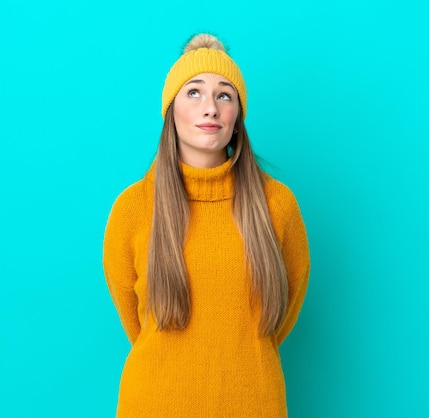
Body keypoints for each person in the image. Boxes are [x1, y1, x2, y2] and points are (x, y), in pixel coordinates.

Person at [103, 33, 310, 417]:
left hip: (255, 405)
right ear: (171, 110)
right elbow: (136, 324)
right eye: (194, 92)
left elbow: (285, 309)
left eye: (225, 95)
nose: (210, 108)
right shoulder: (133, 208)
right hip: (153, 404)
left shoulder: (277, 206)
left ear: (237, 117)